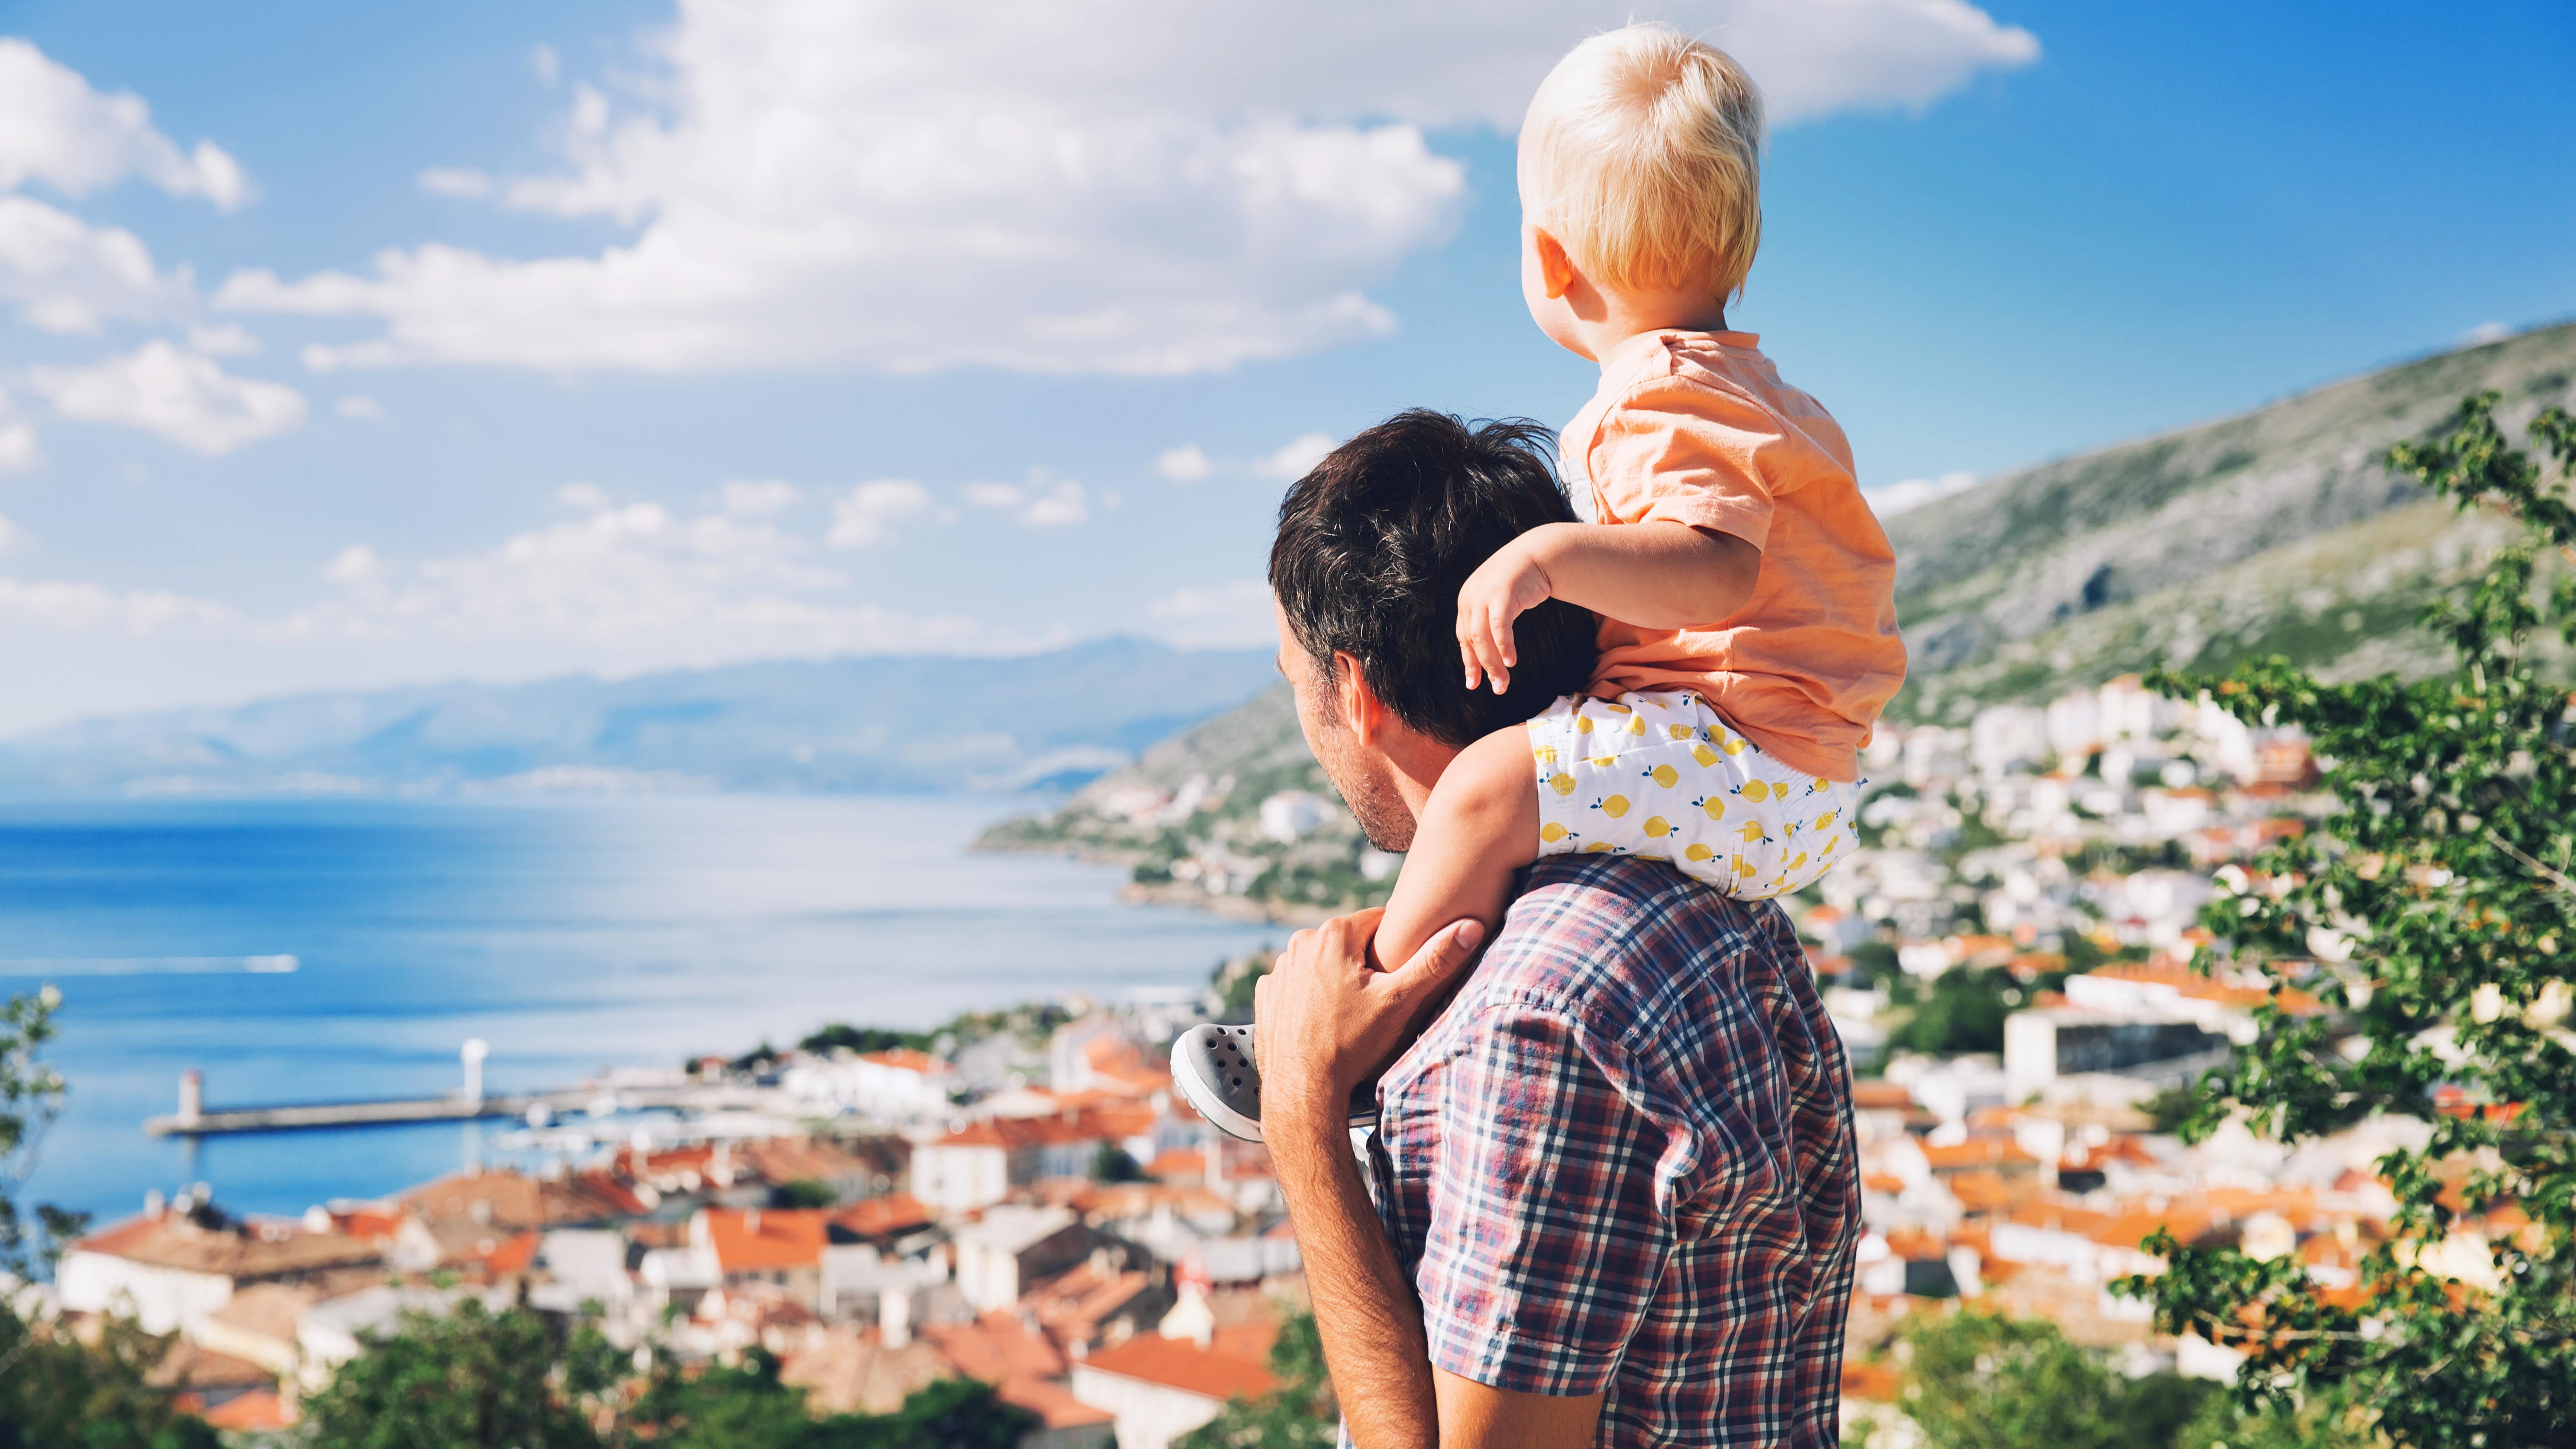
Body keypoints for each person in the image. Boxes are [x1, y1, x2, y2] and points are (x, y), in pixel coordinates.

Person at [1175, 23, 1902, 1142]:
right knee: (1506, 822)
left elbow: (1717, 572)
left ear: (1552, 262)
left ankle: (1356, 1058)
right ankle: (1372, 969)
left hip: (1751, 761)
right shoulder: (1769, 399)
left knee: (1483, 790)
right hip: (1793, 772)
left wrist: (1546, 557)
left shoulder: (1654, 400)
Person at [1241, 409, 1862, 1449]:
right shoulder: (1698, 885)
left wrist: (1299, 1115)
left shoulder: (1534, 1018)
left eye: (1291, 682)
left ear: (1352, 691)